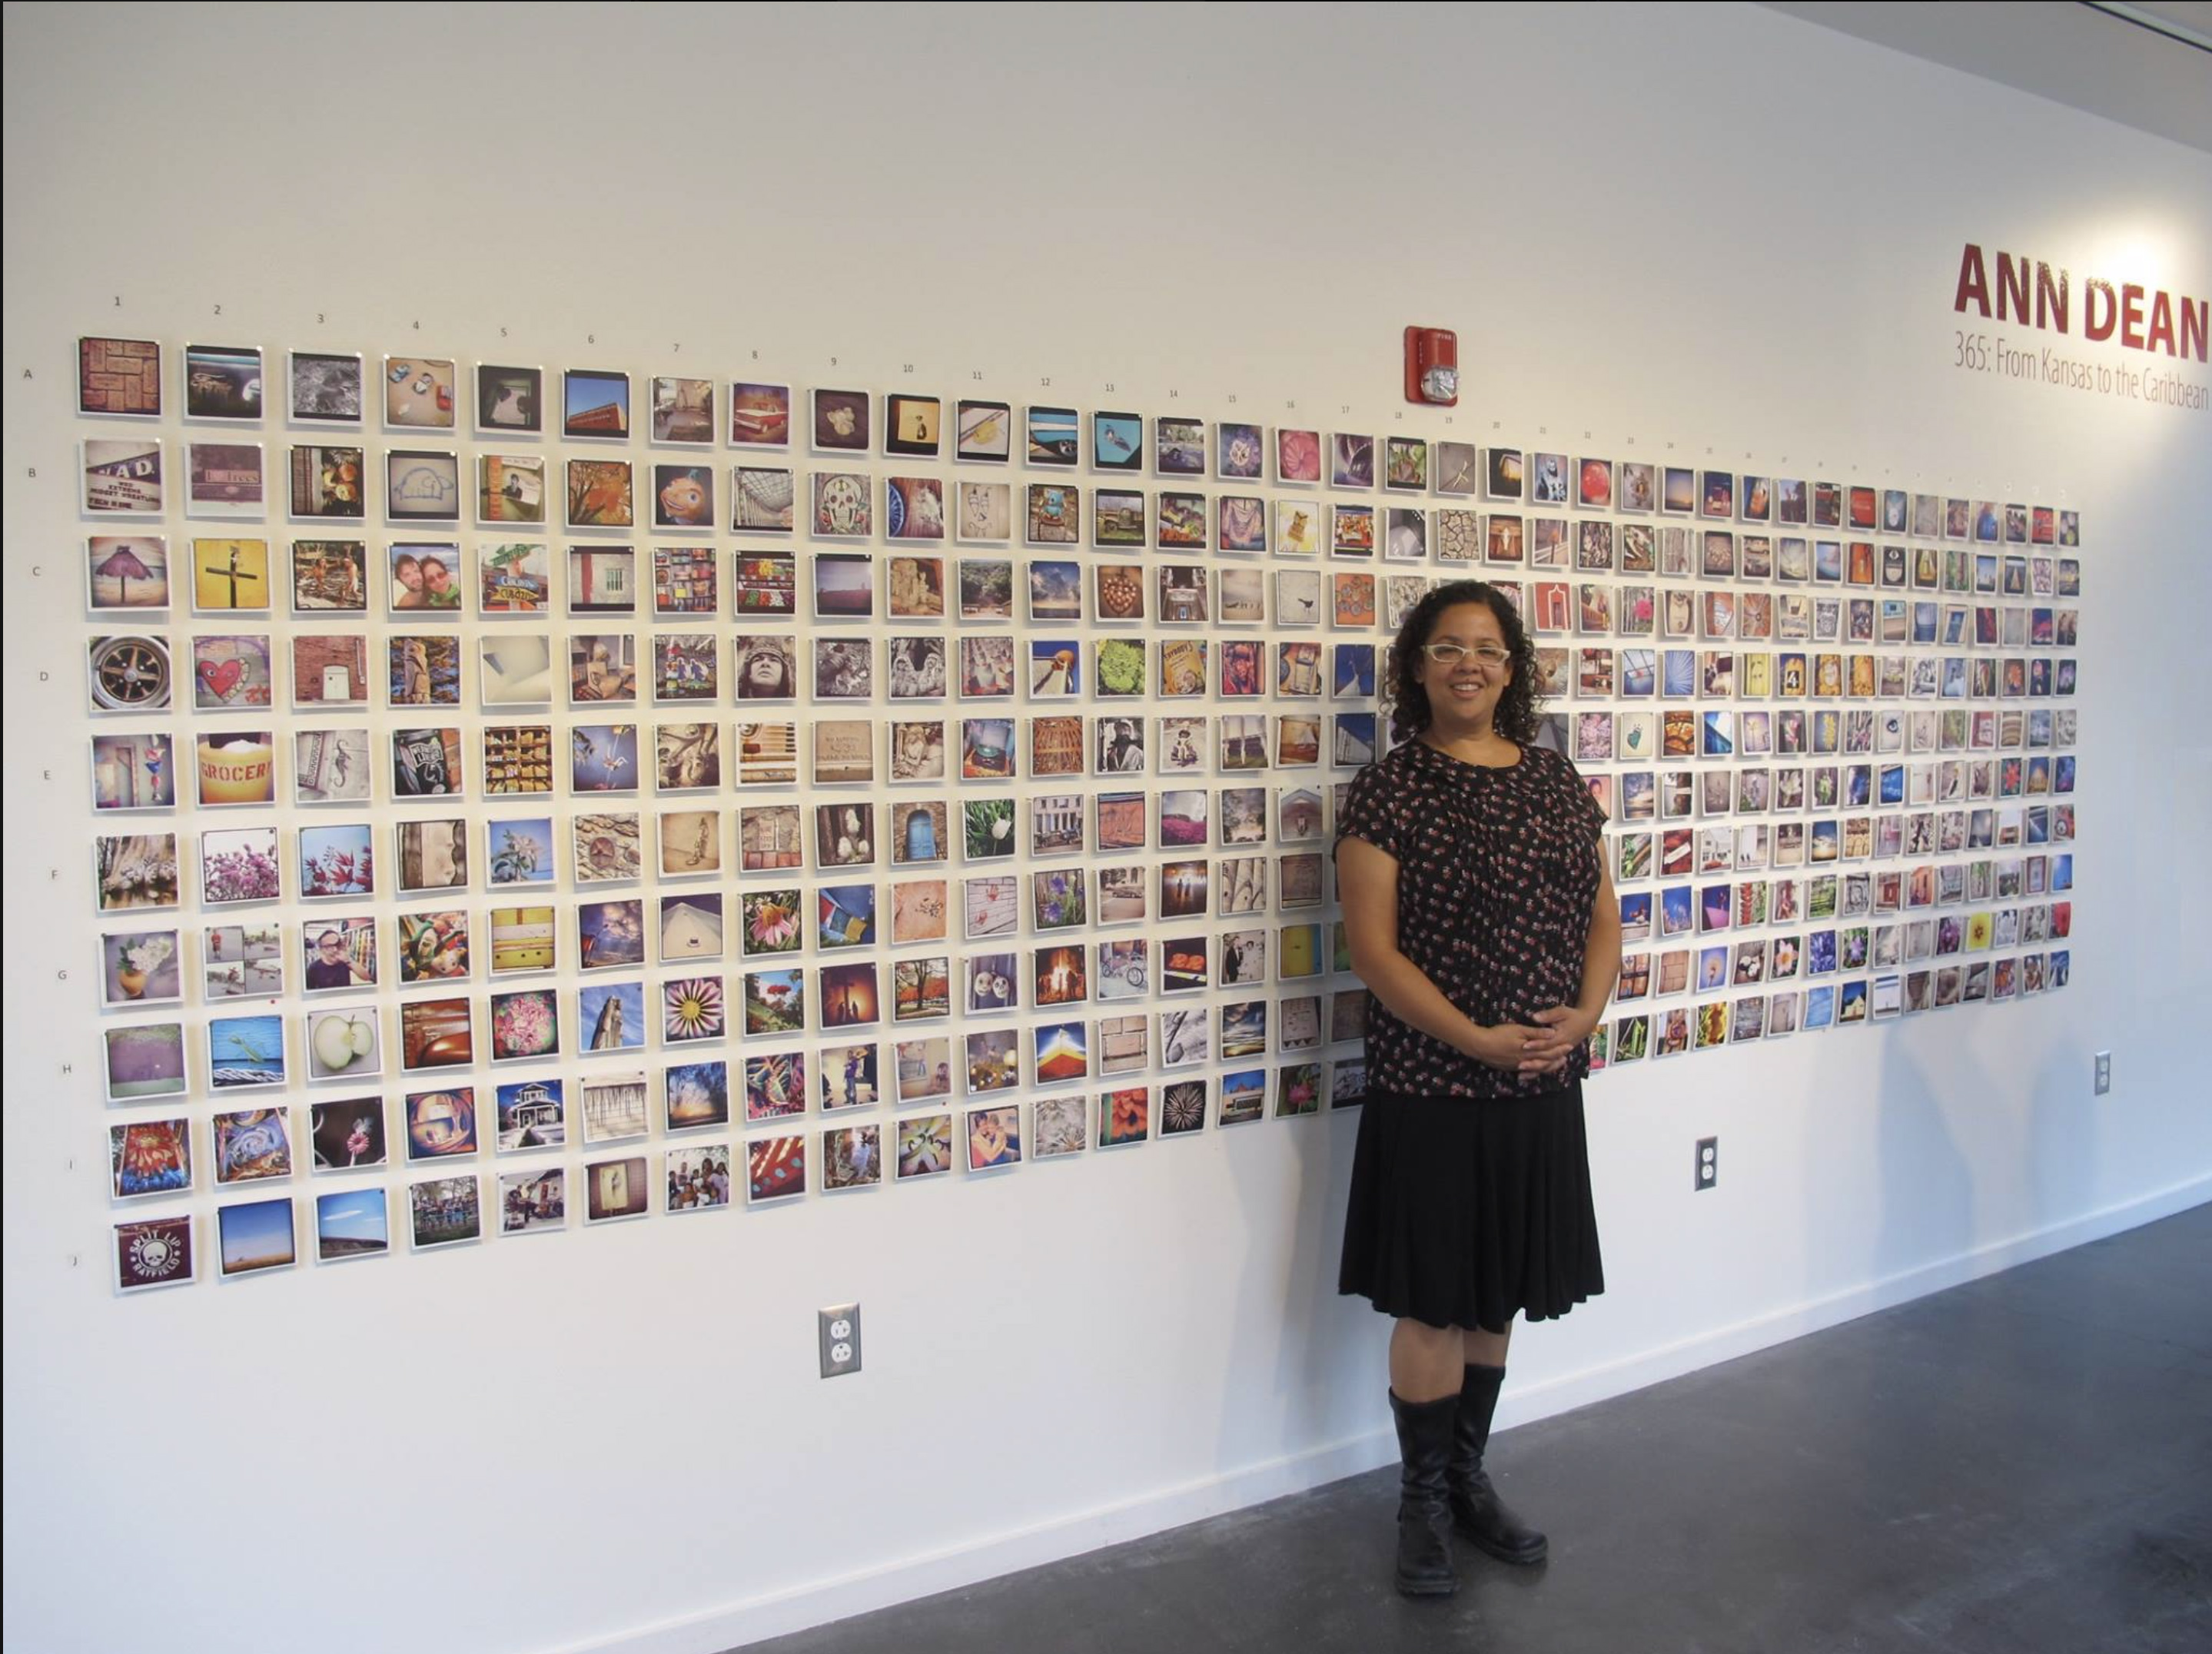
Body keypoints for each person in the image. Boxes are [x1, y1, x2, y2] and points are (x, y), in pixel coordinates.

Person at [1334, 580, 1620, 1599]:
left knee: (1496, 1289)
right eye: (1447, 647)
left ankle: (1465, 1481)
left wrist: (1580, 1019)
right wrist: (1475, 1040)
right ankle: (1417, 1503)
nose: (1469, 664)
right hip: (1433, 1085)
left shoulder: (1551, 781)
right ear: (1418, 666)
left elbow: (1601, 920)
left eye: (1488, 649)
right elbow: (1372, 953)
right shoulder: (1390, 790)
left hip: (1539, 1082)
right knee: (1431, 1301)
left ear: (1513, 668)